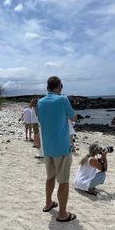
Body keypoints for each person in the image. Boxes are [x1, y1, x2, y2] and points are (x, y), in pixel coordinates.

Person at [37, 76, 77, 222]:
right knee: (64, 181)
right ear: (60, 86)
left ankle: (48, 203)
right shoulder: (63, 99)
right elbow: (73, 117)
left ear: (48, 87)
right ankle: (62, 213)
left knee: (50, 177)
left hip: (47, 148)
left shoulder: (40, 102)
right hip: (61, 147)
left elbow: (41, 121)